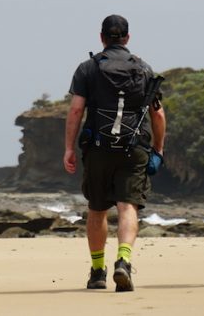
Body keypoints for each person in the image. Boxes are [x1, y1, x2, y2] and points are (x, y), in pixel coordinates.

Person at [63, 15, 166, 292]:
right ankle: (124, 260)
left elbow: (75, 110)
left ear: (102, 38)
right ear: (128, 39)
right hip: (134, 149)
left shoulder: (88, 68)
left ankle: (98, 271)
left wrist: (69, 148)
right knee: (127, 206)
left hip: (98, 149)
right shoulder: (143, 69)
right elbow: (158, 114)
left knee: (97, 209)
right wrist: (158, 149)